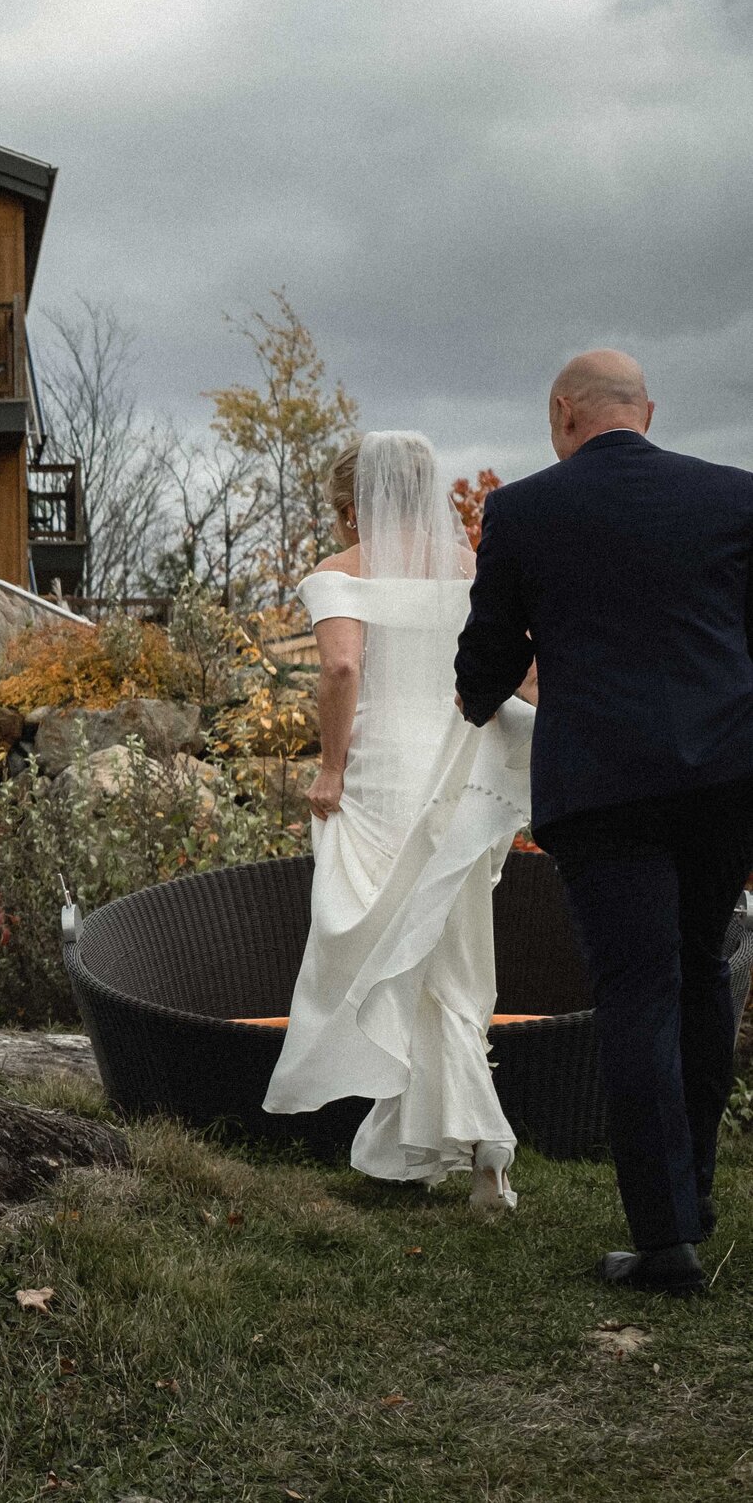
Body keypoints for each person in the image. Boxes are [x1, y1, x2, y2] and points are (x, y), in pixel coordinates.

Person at [457, 349, 753, 1296]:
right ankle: (694, 1196)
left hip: (604, 788)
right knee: (703, 967)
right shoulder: (735, 498)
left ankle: (666, 1241)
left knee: (637, 991)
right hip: (724, 780)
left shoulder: (524, 512)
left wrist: (529, 659)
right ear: (648, 412)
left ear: (563, 413)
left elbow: (481, 675)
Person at [265, 431, 536, 1212]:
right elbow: (518, 663)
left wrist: (330, 766)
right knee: (445, 942)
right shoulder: (468, 569)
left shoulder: (338, 573)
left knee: (388, 938)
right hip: (456, 764)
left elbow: (343, 666)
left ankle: (455, 1133)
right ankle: (460, 1142)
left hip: (382, 771)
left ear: (351, 503)